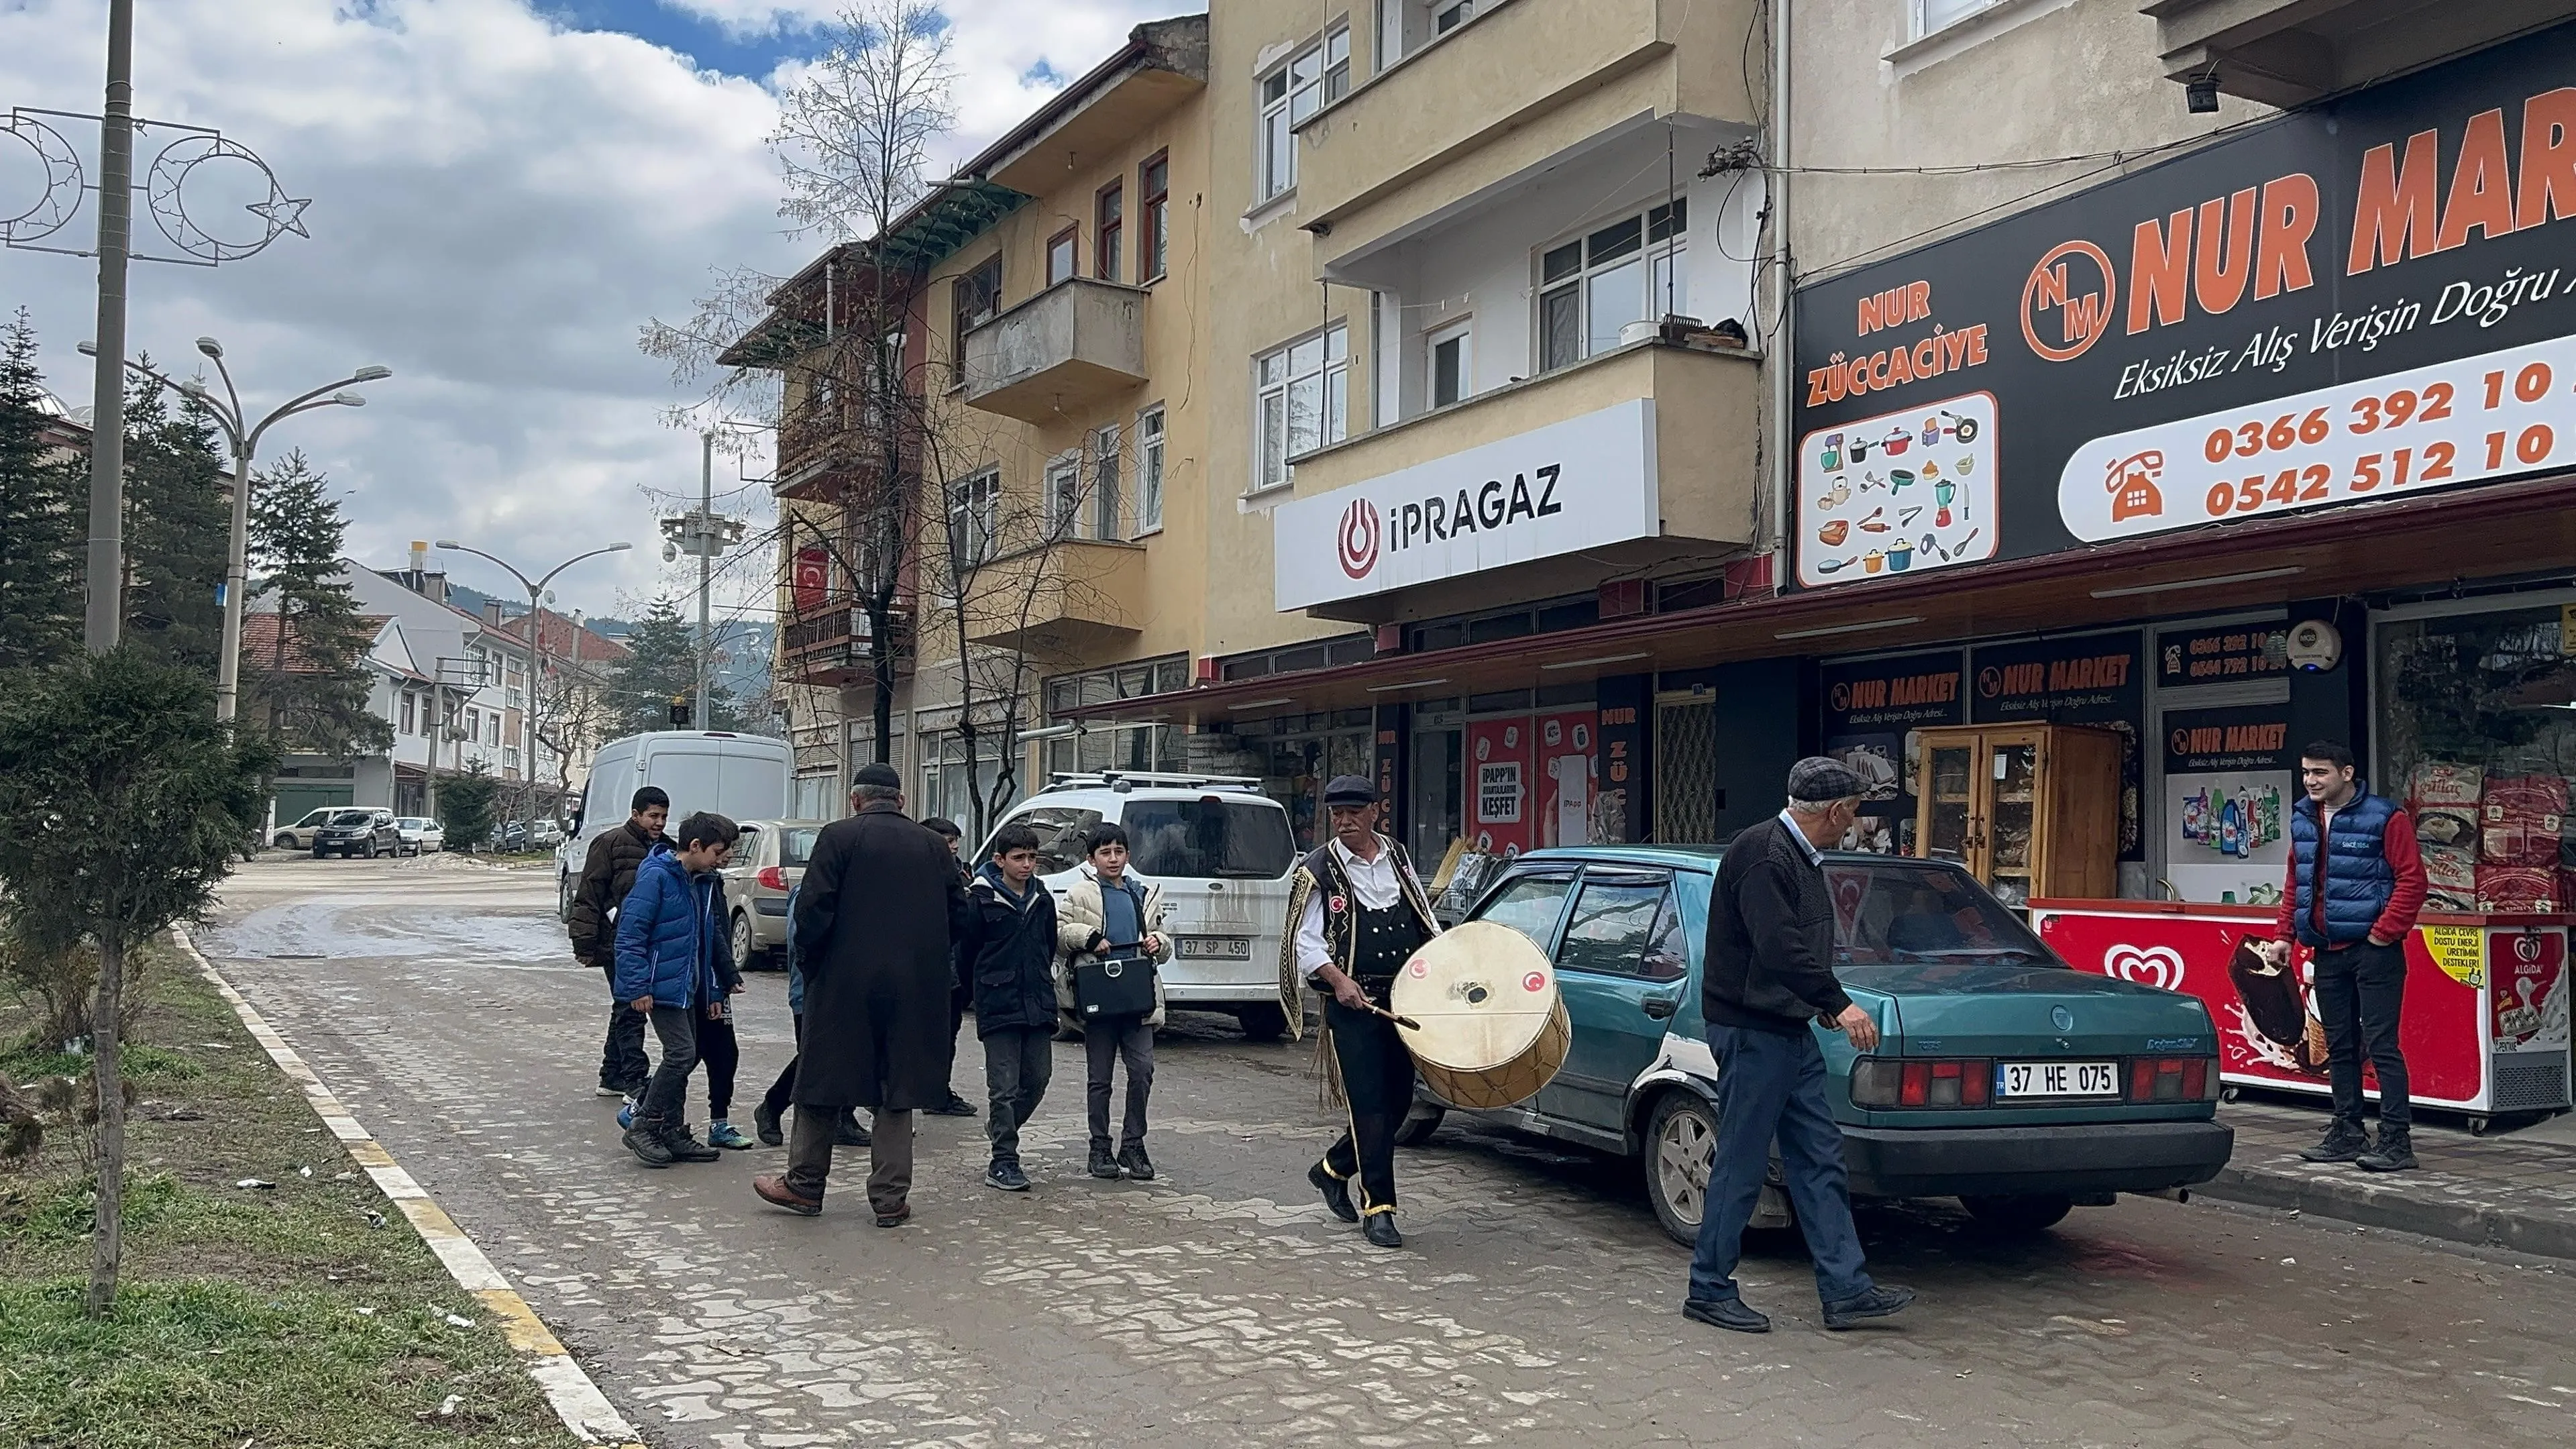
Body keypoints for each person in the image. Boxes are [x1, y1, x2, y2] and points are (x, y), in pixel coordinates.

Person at [1685, 757, 1913, 1334]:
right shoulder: (1762, 854)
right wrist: (1837, 1002)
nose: (1855, 825)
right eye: (1855, 813)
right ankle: (1708, 1288)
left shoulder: (1797, 854)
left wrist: (1816, 1004)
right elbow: (1779, 945)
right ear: (1835, 812)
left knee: (1819, 1158)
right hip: (1752, 1030)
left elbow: (1793, 950)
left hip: (1787, 1028)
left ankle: (1847, 1291)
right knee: (1741, 1159)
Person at [754, 764, 967, 1225]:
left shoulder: (837, 838)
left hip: (842, 984)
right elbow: (960, 916)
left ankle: (805, 1185)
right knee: (898, 1086)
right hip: (914, 988)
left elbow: (811, 914)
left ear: (855, 800)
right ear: (902, 800)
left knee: (821, 1078)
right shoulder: (933, 846)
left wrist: (812, 970)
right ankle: (890, 1199)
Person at [1285, 775, 1440, 1250]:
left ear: (1376, 810)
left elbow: (1422, 916)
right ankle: (1381, 1210)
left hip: (1402, 1001)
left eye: (1354, 812)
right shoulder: (1319, 870)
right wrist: (1339, 981)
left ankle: (1330, 1170)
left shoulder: (1396, 855)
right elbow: (1305, 942)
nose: (1345, 821)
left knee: (1397, 1104)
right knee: (1370, 1106)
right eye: (1337, 814)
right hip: (1353, 1007)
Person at [2261, 741, 2427, 1173]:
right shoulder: (2304, 818)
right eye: (2306, 773)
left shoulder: (2386, 817)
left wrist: (2382, 934)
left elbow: (2412, 879)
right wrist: (2285, 937)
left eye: (2321, 773)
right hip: (2326, 951)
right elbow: (2296, 883)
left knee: (2382, 1046)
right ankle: (2348, 1132)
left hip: (2375, 953)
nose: (2311, 781)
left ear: (2347, 773)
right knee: (2339, 1046)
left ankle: (2396, 1140)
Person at [612, 812, 743, 1168]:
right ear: (695, 846)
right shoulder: (657, 877)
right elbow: (630, 936)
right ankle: (644, 1125)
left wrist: (716, 989)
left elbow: (707, 938)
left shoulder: (698, 881)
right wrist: (638, 987)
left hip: (688, 986)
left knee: (686, 1055)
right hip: (661, 987)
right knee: (682, 1055)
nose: (721, 860)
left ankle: (671, 1130)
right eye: (718, 852)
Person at [1055, 822, 1171, 1181]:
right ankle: (1100, 1146)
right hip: (1099, 999)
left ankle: (1134, 1143)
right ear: (1092, 859)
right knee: (1100, 1079)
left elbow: (1165, 943)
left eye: (1119, 851)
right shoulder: (1080, 894)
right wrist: (1088, 937)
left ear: (1128, 855)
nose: (1113, 858)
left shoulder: (1142, 893)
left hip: (1137, 999)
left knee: (1142, 1071)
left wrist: (1158, 943)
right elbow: (1059, 935)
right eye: (1105, 852)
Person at [964, 824, 1062, 1192]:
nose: (1026, 865)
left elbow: (1049, 944)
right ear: (999, 860)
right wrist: (975, 992)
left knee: (1037, 1078)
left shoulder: (1043, 900)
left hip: (1037, 1001)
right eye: (1018, 858)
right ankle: (1004, 1160)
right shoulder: (981, 900)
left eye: (1032, 857)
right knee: (1002, 1087)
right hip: (998, 1002)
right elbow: (967, 952)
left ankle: (1001, 1127)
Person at [568, 787, 673, 1106]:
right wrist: (585, 944)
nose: (659, 823)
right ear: (636, 814)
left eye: (664, 817)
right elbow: (589, 896)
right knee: (631, 1008)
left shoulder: (668, 850)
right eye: (653, 816)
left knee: (624, 1006)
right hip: (618, 943)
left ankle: (611, 1076)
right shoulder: (610, 844)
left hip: (650, 944)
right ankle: (634, 1080)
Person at [749, 874, 869, 1151]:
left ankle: (844, 1117)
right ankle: (772, 1106)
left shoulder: (858, 890)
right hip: (812, 992)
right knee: (812, 1059)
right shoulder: (809, 894)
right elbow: (802, 942)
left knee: (852, 1055)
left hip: (852, 992)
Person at [919, 816, 981, 1118]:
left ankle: (938, 1091)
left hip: (956, 971)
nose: (954, 847)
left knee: (949, 1033)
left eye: (956, 841)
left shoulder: (963, 873)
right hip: (924, 972)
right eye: (948, 842)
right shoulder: (917, 875)